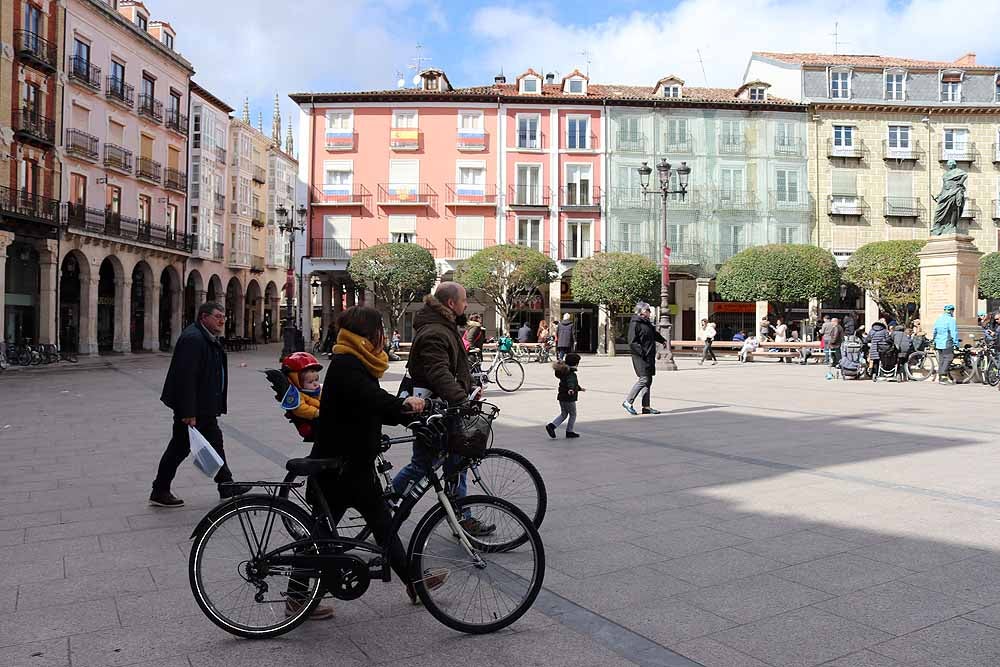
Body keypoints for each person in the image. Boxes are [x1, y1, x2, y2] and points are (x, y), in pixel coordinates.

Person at [287, 306, 443, 619]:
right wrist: (404, 404)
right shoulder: (347, 365)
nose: (382, 339)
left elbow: (371, 406)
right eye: (379, 333)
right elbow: (372, 399)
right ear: (367, 336)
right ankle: (296, 597)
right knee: (322, 534)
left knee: (382, 526)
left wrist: (406, 415)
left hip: (351, 463)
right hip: (339, 467)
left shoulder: (355, 362)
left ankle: (413, 582)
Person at [392, 282, 494, 536]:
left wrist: (469, 388)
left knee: (455, 465)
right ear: (451, 304)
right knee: (422, 465)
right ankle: (382, 504)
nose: (466, 305)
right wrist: (462, 399)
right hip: (434, 413)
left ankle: (461, 517)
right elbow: (438, 373)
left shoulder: (443, 327)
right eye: (463, 300)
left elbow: (451, 368)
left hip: (445, 410)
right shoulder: (435, 332)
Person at [151, 302, 250, 507]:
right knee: (179, 448)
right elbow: (186, 377)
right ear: (203, 317)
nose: (222, 320)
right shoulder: (194, 339)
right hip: (193, 407)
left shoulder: (205, 337)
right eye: (217, 316)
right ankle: (160, 490)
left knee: (212, 441)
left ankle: (225, 484)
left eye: (224, 316)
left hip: (203, 405)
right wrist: (188, 411)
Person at [622, 301, 666, 415]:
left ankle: (646, 406)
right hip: (640, 356)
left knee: (648, 380)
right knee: (644, 379)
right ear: (641, 311)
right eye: (648, 310)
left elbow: (654, 334)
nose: (649, 312)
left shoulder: (647, 323)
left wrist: (662, 340)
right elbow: (632, 342)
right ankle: (628, 402)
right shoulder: (635, 323)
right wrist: (642, 353)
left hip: (649, 355)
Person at [276, 352, 324, 441]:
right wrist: (316, 412)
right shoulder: (296, 395)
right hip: (313, 423)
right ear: (297, 381)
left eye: (316, 380)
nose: (315, 384)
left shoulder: (316, 391)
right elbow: (300, 409)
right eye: (310, 382)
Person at [545, 352, 584, 439]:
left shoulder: (564, 372)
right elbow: (571, 383)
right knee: (573, 414)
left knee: (564, 414)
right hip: (569, 398)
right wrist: (571, 389)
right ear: (576, 363)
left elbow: (571, 384)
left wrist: (579, 388)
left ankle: (552, 426)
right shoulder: (571, 374)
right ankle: (569, 431)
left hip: (561, 397)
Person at [932, 304, 959, 384]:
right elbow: (953, 332)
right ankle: (943, 376)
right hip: (946, 342)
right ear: (951, 311)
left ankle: (940, 378)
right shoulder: (951, 320)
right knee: (948, 358)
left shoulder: (939, 319)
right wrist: (956, 342)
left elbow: (935, 331)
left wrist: (934, 340)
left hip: (938, 343)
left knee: (941, 360)